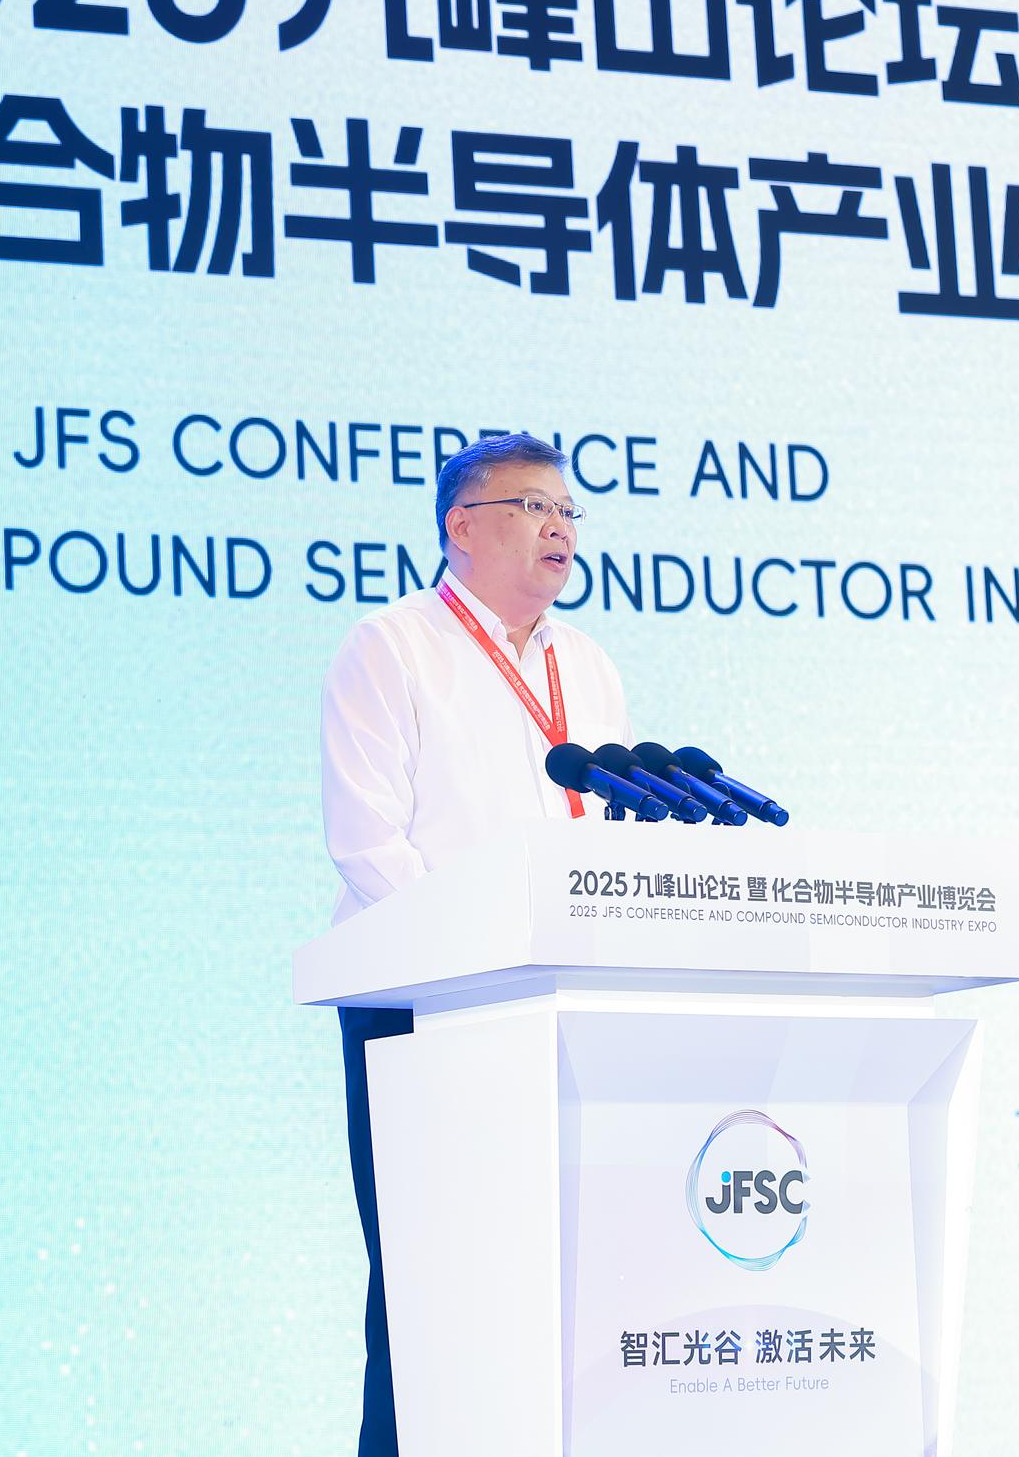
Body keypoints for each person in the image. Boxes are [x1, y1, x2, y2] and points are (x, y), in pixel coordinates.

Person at [316, 431, 632, 1456]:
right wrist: (483, 958)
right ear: (461, 525)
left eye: (568, 512)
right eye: (534, 506)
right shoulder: (391, 647)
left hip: (559, 1010)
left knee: (561, 1281)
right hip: (424, 1010)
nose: (559, 528)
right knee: (428, 1285)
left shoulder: (587, 665)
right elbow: (367, 841)